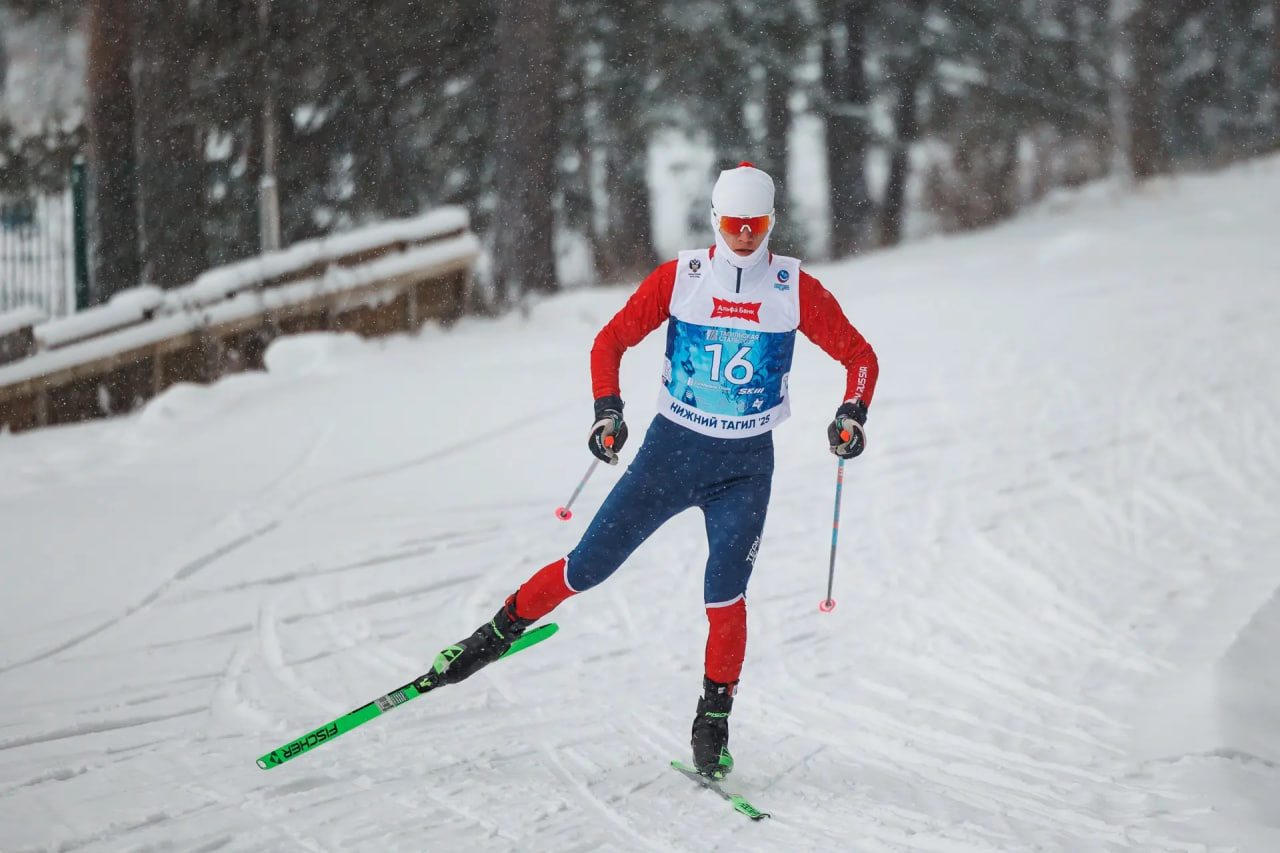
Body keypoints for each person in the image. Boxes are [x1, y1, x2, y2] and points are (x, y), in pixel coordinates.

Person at [426, 162, 879, 779]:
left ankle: (712, 721)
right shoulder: (682, 278)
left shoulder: (792, 287)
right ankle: (492, 635)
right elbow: (609, 341)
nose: (745, 234)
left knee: (726, 597)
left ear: (771, 222)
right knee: (587, 566)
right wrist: (606, 410)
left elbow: (860, 356)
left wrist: (852, 413)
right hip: (670, 455)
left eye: (757, 223)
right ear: (715, 220)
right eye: (734, 222)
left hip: (745, 468)